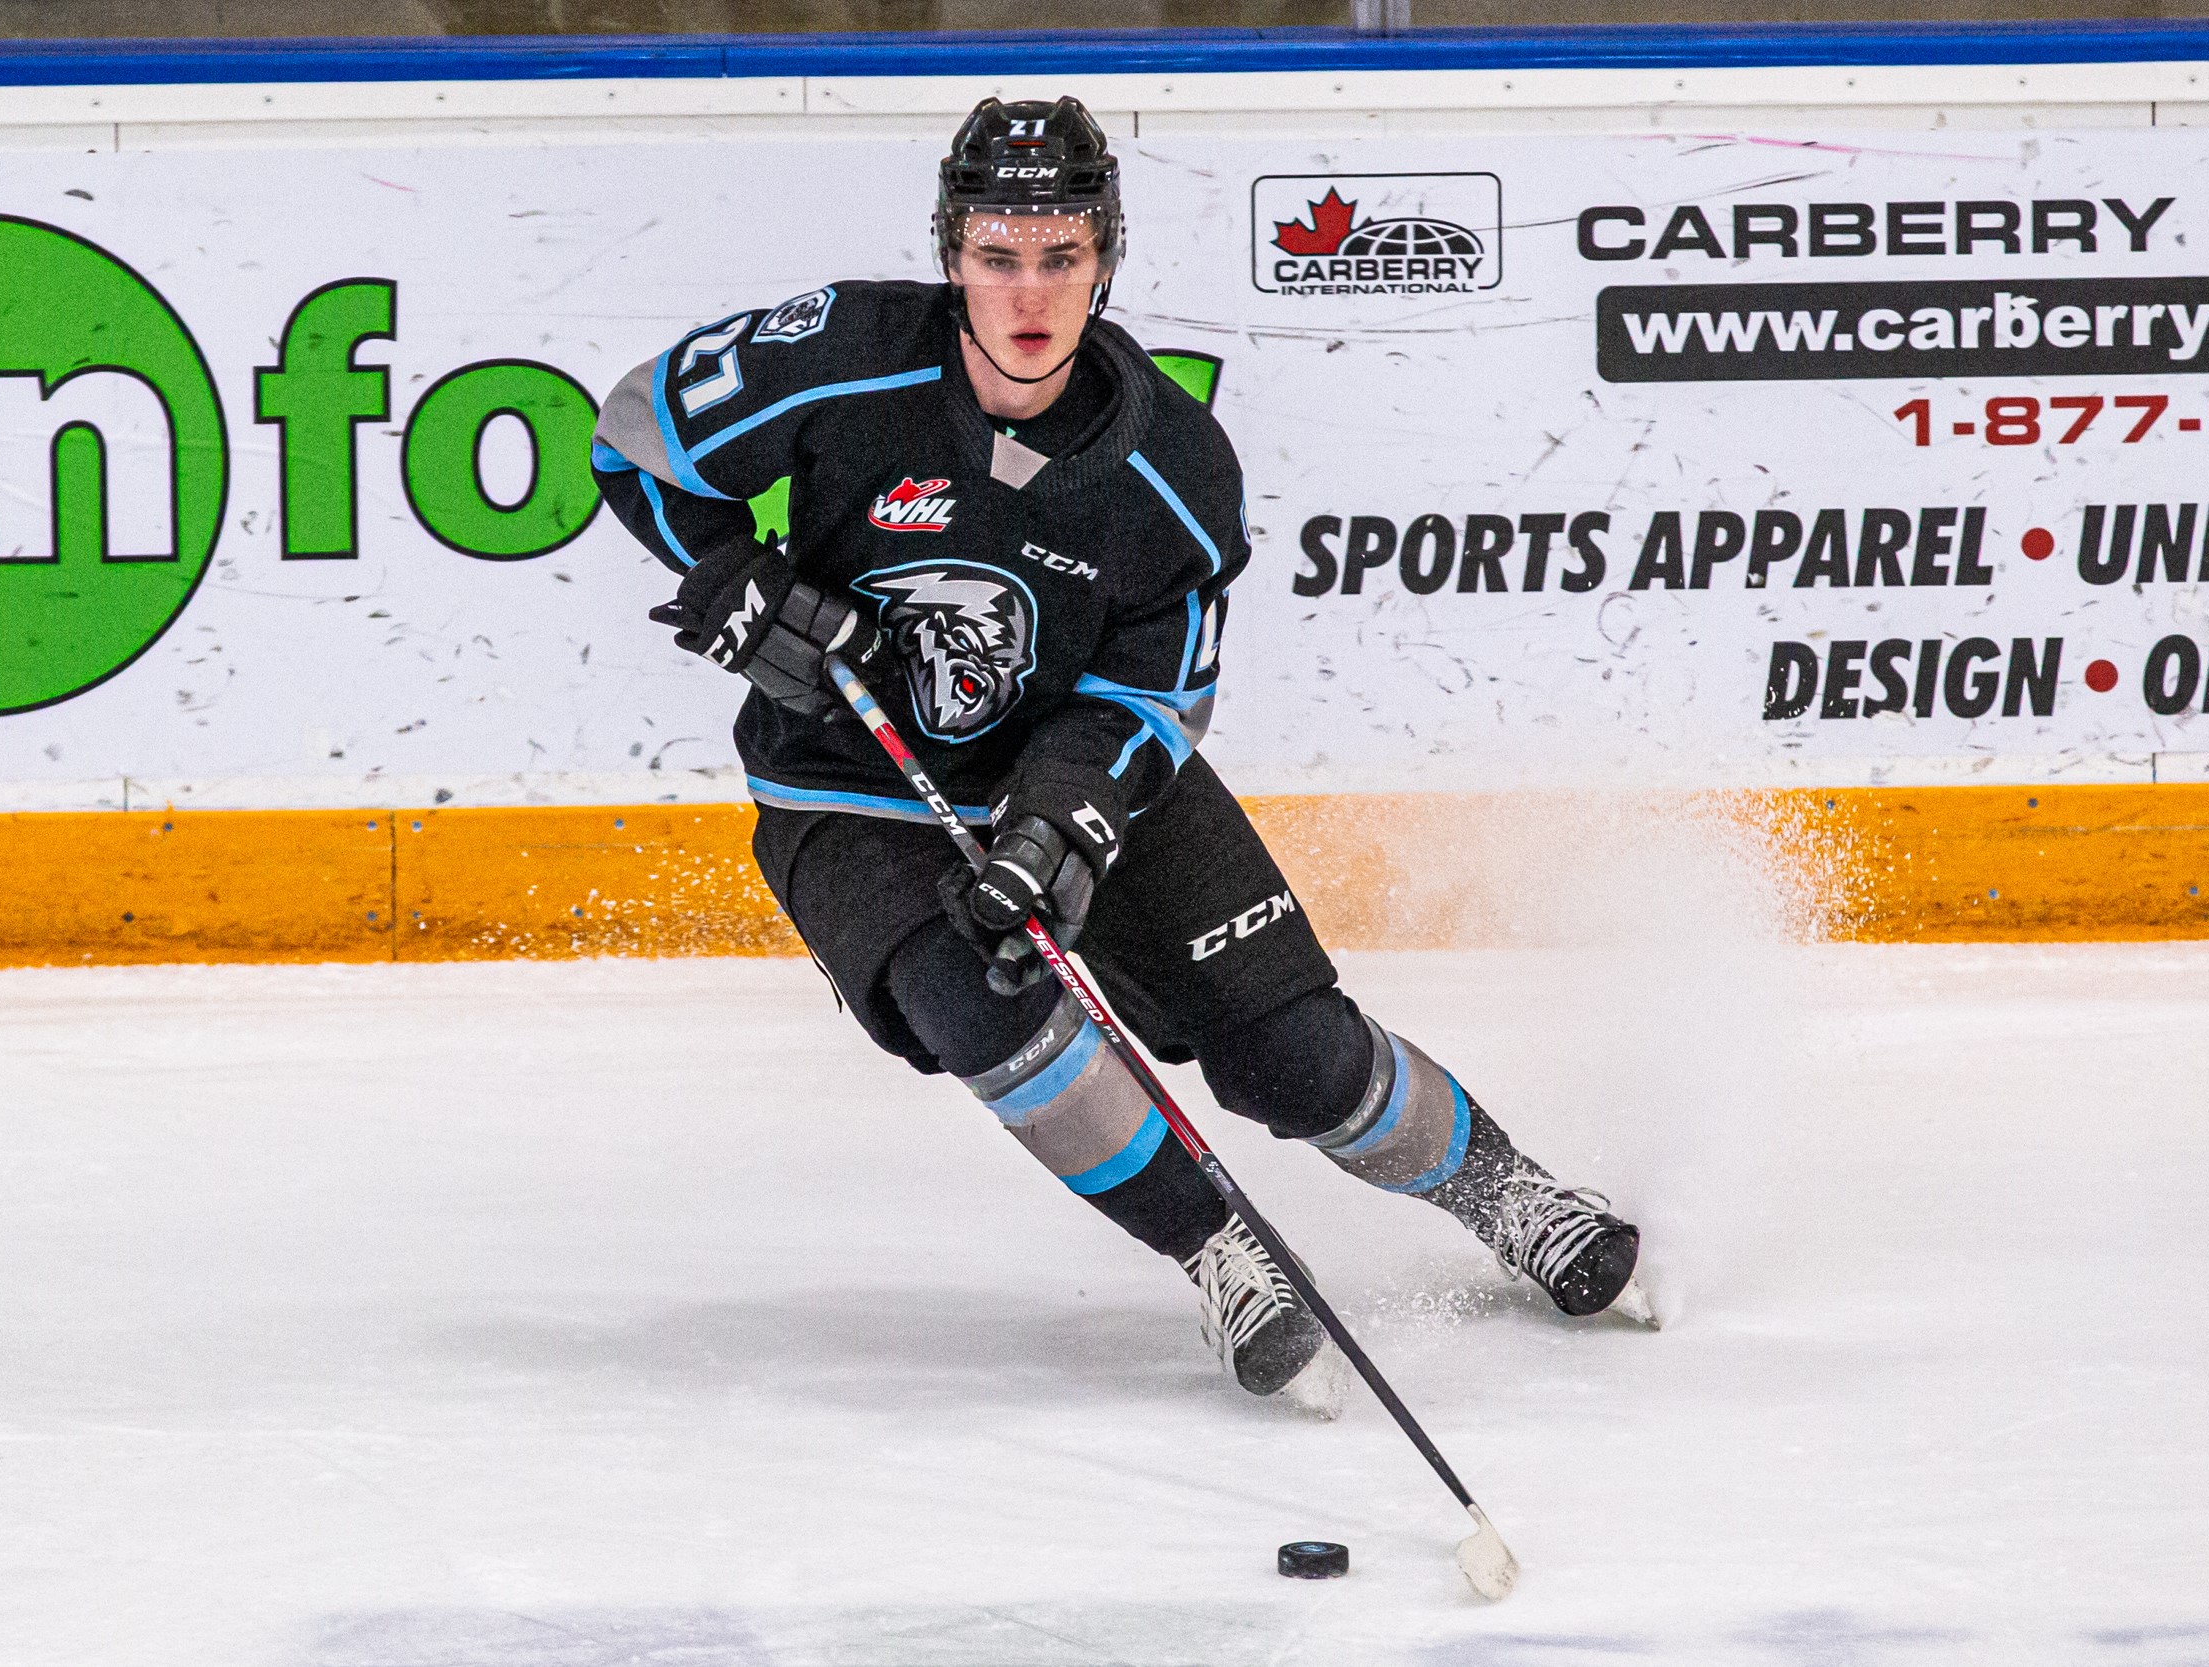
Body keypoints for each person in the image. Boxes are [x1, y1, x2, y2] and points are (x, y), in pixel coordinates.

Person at [589, 96, 1648, 1404]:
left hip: (1077, 771)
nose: (1028, 294)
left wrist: (1057, 825)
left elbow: (1150, 698)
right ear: (951, 255)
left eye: (1061, 256)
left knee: (1294, 1056)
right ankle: (1219, 1251)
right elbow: (634, 434)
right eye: (996, 255)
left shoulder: (1172, 468)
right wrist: (731, 574)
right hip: (847, 779)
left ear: (1106, 257)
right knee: (978, 1000)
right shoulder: (843, 358)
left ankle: (1509, 1193)